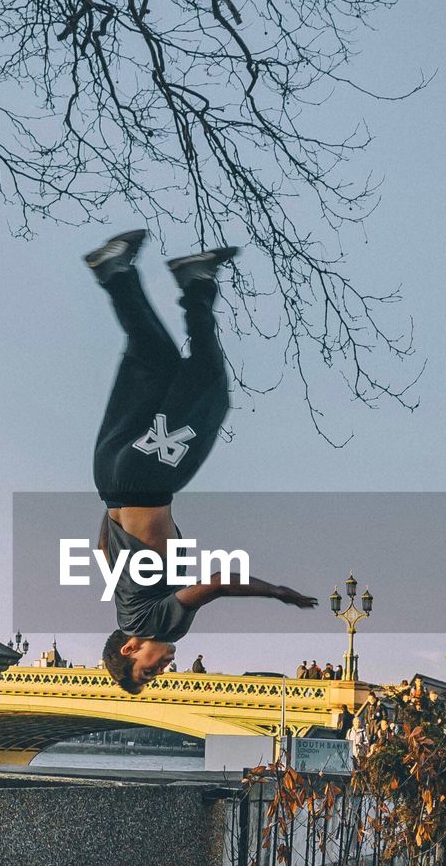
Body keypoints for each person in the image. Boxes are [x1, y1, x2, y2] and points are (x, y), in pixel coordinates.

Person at [86, 229, 317, 694]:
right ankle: (116, 271)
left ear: (130, 648)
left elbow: (214, 586)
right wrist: (116, 507)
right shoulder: (124, 605)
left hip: (147, 478)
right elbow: (102, 549)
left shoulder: (159, 625)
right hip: (111, 475)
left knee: (210, 388)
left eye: (150, 670)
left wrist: (276, 592)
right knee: (155, 361)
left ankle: (196, 282)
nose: (164, 666)